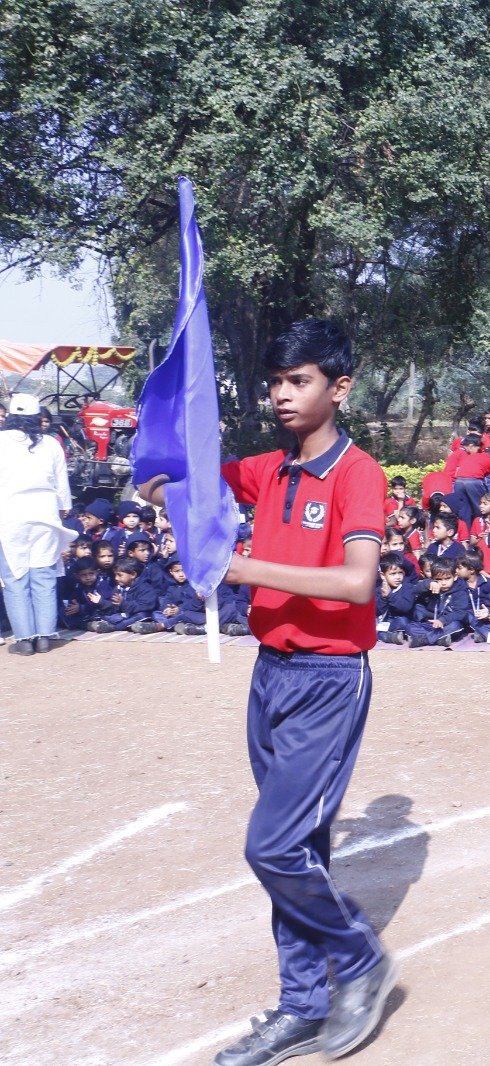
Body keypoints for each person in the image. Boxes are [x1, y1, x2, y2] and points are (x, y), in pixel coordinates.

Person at [137, 319, 397, 1065]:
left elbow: (357, 583)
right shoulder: (268, 470)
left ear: (338, 388)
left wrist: (241, 568)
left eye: (300, 381)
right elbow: (178, 487)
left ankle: (361, 960)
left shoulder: (358, 474)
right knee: (300, 849)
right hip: (270, 673)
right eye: (276, 382)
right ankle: (302, 1007)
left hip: (327, 678)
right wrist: (161, 474)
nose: (282, 395)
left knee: (274, 847)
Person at [0, 393, 75, 655]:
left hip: (10, 515)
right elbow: (61, 484)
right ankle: (45, 636)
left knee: (15, 576)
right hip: (45, 513)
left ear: (10, 415)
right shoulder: (51, 443)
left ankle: (24, 640)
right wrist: (64, 509)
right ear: (36, 417)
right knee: (43, 575)